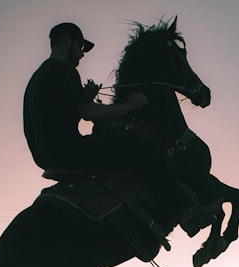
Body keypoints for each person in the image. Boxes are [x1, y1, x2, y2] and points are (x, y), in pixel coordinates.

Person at [23, 22, 149, 176]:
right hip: (70, 152)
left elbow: (57, 113)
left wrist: (86, 97)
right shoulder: (62, 68)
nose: (82, 54)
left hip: (45, 158)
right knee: (144, 150)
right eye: (81, 47)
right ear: (67, 40)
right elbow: (88, 113)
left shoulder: (37, 77)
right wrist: (130, 106)